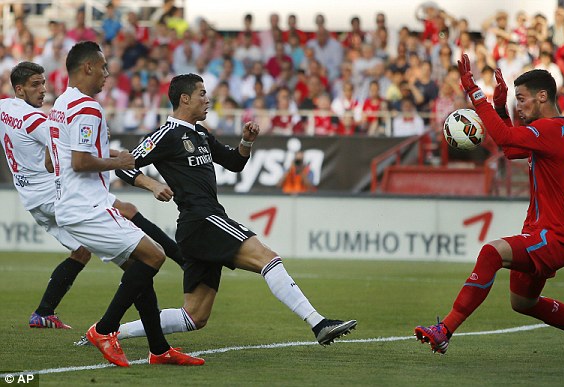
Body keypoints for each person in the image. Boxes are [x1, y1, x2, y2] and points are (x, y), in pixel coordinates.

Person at [114, 74, 355, 345]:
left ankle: (113, 331)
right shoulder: (167, 134)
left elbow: (233, 162)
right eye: (202, 94)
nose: (208, 100)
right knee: (268, 258)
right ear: (184, 98)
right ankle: (318, 323)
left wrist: (246, 142)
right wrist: (151, 184)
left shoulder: (200, 133)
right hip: (202, 218)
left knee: (194, 316)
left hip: (197, 226)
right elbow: (124, 163)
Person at [414, 54, 564, 361]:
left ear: (542, 96)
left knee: (491, 252)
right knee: (522, 303)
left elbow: (506, 137)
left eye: (521, 100)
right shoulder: (558, 131)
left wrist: (474, 92)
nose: (519, 106)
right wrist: (499, 108)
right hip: (552, 236)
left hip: (551, 237)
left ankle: (445, 330)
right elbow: (511, 150)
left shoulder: (551, 130)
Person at [49, 41, 202, 367]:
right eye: (103, 67)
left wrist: (106, 159)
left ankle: (159, 350)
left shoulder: (61, 104)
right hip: (86, 205)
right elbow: (80, 162)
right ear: (87, 67)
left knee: (138, 270)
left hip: (75, 202)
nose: (107, 74)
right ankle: (104, 329)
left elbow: (54, 161)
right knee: (154, 255)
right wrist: (117, 159)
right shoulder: (87, 108)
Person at [0, 61, 185, 331]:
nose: (43, 90)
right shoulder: (37, 121)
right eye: (35, 85)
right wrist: (111, 150)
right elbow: (61, 157)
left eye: (43, 83)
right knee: (128, 213)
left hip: (32, 198)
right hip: (54, 194)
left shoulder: (5, 107)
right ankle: (184, 262)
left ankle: (43, 312)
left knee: (82, 251)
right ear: (19, 89)